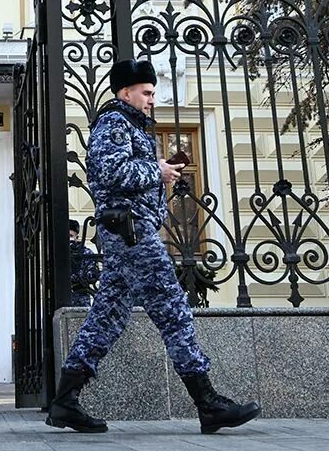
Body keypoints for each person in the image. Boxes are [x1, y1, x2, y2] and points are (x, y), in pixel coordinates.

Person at [47, 58, 261, 435]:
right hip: (131, 234)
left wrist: (158, 168)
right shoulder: (114, 123)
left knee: (106, 319)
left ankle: (65, 401)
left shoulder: (130, 125)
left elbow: (124, 172)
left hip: (126, 232)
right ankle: (207, 401)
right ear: (125, 92)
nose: (150, 99)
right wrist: (157, 171)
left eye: (151, 93)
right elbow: (110, 172)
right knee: (173, 308)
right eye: (145, 92)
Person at [67, 220, 98, 308]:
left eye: (70, 236)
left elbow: (91, 275)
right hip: (59, 298)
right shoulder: (55, 253)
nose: (69, 239)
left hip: (81, 297)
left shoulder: (86, 252)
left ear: (77, 237)